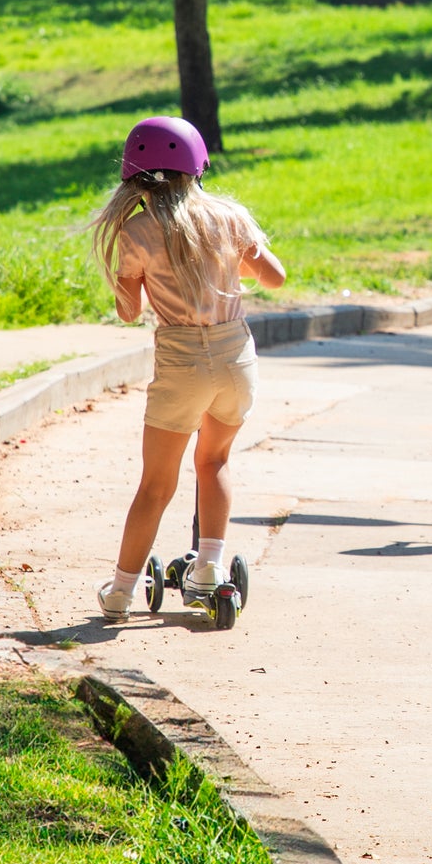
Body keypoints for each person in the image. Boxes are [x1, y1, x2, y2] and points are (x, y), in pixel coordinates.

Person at [88, 116, 286, 618]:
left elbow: (130, 310)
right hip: (235, 356)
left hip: (181, 360)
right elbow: (276, 278)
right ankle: (210, 569)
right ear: (197, 165)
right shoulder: (227, 218)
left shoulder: (135, 232)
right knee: (214, 462)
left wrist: (128, 280)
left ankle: (121, 592)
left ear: (135, 176)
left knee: (156, 483)